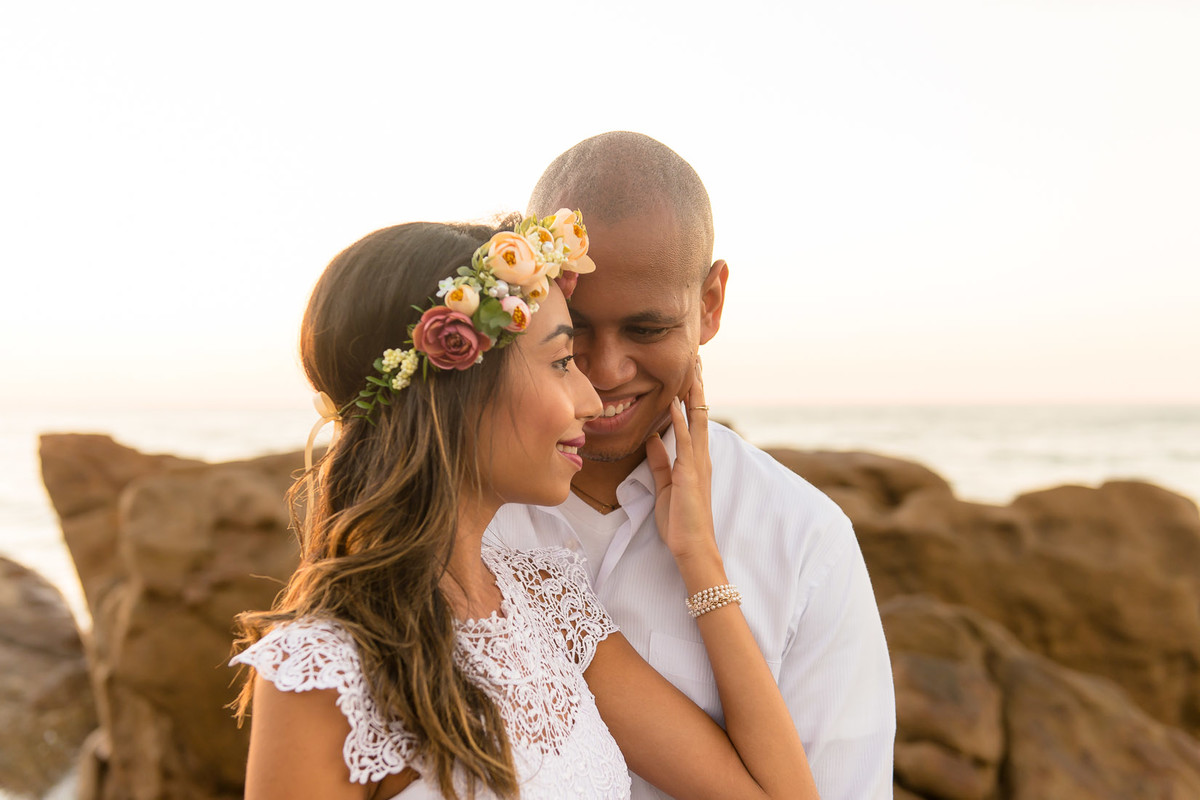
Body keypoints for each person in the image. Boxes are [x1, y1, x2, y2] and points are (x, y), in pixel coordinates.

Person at [229, 212, 820, 799]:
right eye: (563, 362)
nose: (591, 398)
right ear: (458, 383)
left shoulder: (548, 605)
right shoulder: (322, 672)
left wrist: (698, 555)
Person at [488, 132, 896, 799]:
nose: (606, 371)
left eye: (646, 330)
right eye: (576, 327)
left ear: (709, 305)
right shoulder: (460, 515)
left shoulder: (804, 540)